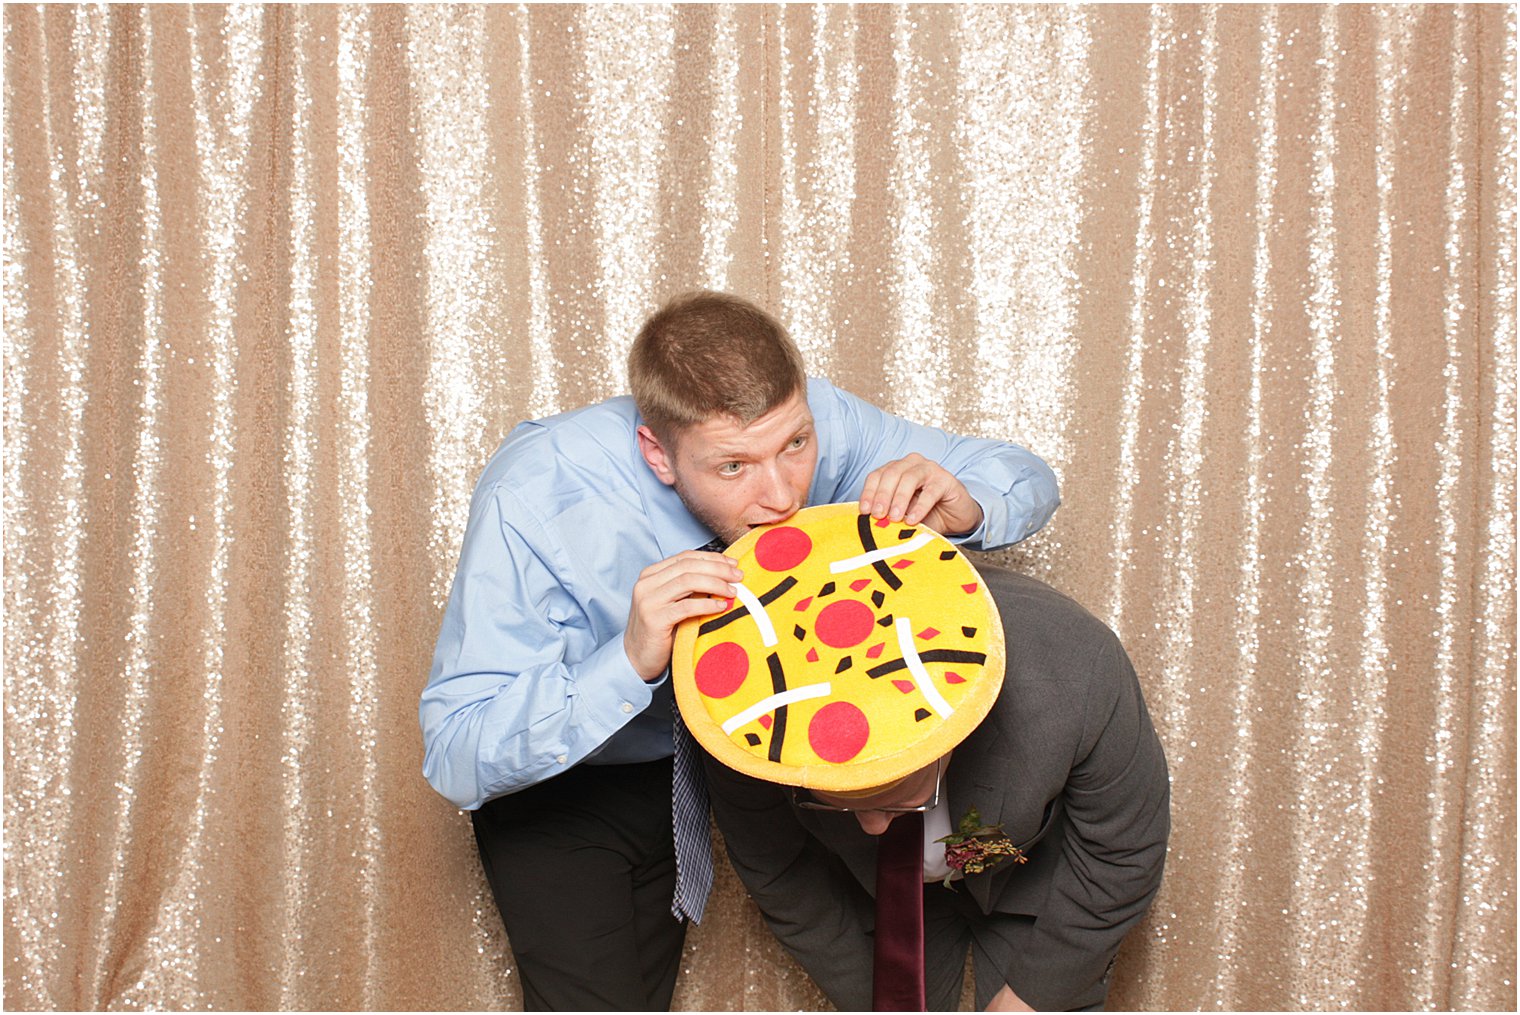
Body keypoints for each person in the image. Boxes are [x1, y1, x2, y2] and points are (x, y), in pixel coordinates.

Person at [418, 290, 1060, 1010]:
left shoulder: (814, 420)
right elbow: (455, 749)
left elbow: (1025, 473)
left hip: (696, 777)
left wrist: (970, 502)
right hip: (566, 778)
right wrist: (625, 661)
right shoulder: (536, 494)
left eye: (795, 445)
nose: (784, 493)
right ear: (657, 453)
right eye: (733, 468)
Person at [700, 562, 1170, 1012]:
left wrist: (1034, 999)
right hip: (874, 894)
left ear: (952, 737)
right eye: (841, 805)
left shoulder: (1074, 668)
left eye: (894, 801)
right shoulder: (737, 719)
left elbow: (1122, 853)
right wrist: (875, 999)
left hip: (1035, 877)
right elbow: (781, 873)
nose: (872, 827)